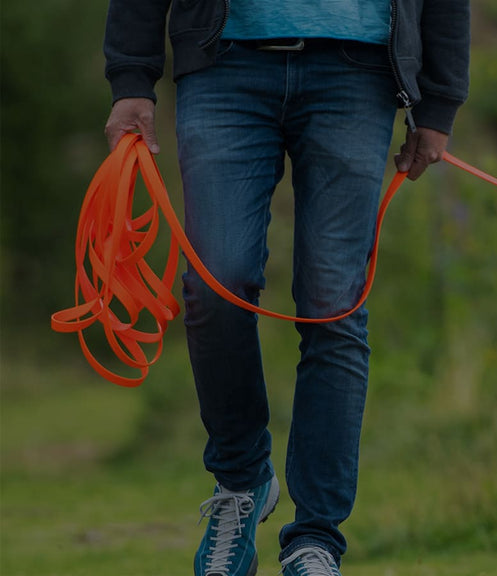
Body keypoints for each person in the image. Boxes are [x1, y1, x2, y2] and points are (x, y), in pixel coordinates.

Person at [101, 1, 470, 574]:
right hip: (223, 61)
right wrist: (131, 75)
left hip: (358, 68)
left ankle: (315, 539)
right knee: (215, 285)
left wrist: (439, 98)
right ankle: (242, 481)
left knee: (334, 307)